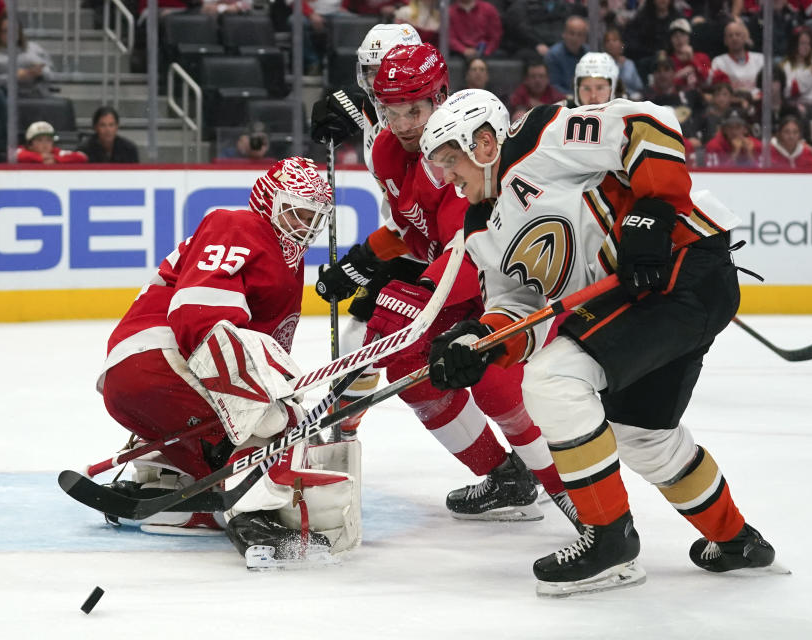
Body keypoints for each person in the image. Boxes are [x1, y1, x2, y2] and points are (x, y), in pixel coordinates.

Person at [420, 88, 777, 597]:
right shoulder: (480, 227)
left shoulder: (537, 137)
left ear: (482, 143)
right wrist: (479, 341)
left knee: (553, 381)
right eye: (439, 168)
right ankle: (739, 541)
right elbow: (521, 310)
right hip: (637, 301)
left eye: (450, 161)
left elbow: (644, 124)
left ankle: (610, 542)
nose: (447, 178)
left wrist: (651, 210)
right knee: (643, 437)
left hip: (684, 266)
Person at [314, 44, 578, 526]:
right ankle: (505, 478)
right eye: (391, 111)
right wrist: (364, 261)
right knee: (407, 363)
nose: (403, 123)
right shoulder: (386, 150)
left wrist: (414, 299)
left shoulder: (459, 151)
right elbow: (413, 232)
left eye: (414, 110)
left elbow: (468, 246)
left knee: (495, 384)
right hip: (459, 273)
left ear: (440, 96)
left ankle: (575, 495)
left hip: (506, 278)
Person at [98, 157, 361, 567]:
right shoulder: (239, 225)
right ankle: (254, 517)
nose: (307, 223)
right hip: (159, 361)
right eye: (298, 210)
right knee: (277, 426)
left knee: (269, 432)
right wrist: (268, 411)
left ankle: (182, 496)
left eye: (316, 215)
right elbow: (198, 315)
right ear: (270, 202)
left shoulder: (290, 263)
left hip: (145, 382)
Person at [310, 23, 423, 434]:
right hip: (408, 246)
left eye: (387, 70)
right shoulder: (384, 108)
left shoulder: (424, 126)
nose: (378, 83)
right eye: (370, 72)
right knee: (359, 339)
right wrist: (339, 104)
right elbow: (368, 107)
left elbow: (418, 220)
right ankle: (342, 431)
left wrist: (361, 262)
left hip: (440, 252)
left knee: (425, 365)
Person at [0, 9, 57, 98]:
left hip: (36, 95)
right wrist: (15, 77)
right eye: (6, 31)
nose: (11, 34)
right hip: (6, 98)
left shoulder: (34, 48)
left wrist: (40, 72)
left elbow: (51, 73)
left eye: (14, 30)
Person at [710, 20, 765, 98]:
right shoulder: (718, 62)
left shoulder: (760, 59)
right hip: (732, 105)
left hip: (758, 102)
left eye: (738, 34)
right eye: (730, 35)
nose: (734, 38)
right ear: (725, 40)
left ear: (745, 37)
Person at [544, 15, 590, 96]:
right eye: (571, 33)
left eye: (579, 34)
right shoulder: (553, 55)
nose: (575, 38)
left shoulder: (589, 53)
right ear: (564, 34)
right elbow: (554, 86)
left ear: (584, 38)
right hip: (563, 100)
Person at [667, 18, 711, 90]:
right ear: (670, 40)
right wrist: (680, 75)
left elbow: (708, 79)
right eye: (675, 36)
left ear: (689, 37)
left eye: (682, 35)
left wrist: (692, 59)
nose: (679, 39)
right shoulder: (668, 61)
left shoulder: (703, 57)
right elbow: (665, 85)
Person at [16, 121, 88, 164]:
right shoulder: (21, 151)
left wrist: (56, 159)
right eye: (39, 140)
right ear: (30, 144)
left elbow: (82, 156)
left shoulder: (56, 153)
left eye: (48, 140)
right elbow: (15, 155)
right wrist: (40, 158)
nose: (45, 144)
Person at [603, 25, 644, 99]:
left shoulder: (629, 64)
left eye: (614, 40)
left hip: (629, 99)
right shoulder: (601, 63)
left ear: (621, 44)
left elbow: (638, 86)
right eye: (607, 41)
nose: (611, 43)